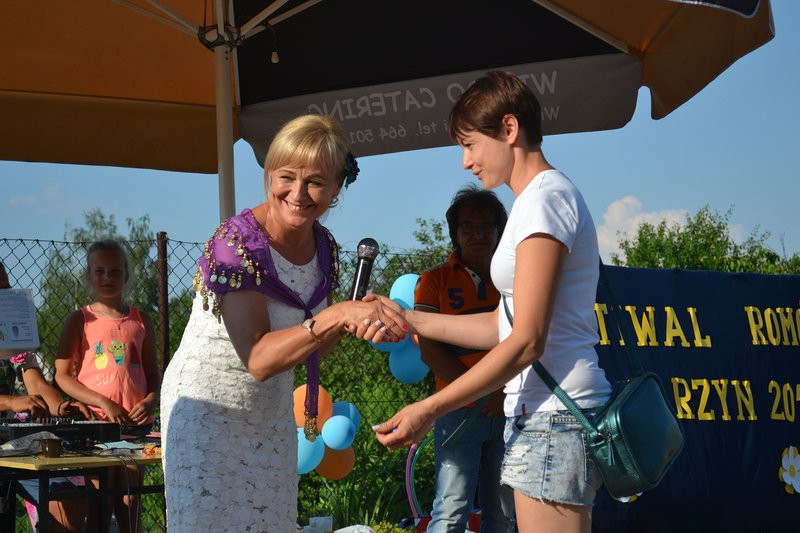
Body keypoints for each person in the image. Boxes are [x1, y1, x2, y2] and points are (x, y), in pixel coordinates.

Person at [374, 71, 612, 533]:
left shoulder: (545, 198)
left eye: (469, 144)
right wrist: (408, 317)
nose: (465, 162)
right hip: (541, 419)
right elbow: (500, 326)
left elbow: (526, 342)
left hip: (555, 418)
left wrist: (430, 408)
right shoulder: (531, 201)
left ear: (508, 129)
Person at [159, 114, 404, 532]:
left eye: (316, 181)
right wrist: (337, 315)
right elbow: (257, 358)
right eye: (286, 177)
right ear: (269, 175)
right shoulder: (236, 242)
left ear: (337, 187)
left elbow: (314, 345)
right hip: (208, 412)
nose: (298, 193)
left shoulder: (324, 247)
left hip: (270, 413)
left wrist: (354, 325)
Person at [414, 185, 515, 533]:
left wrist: (501, 393)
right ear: (455, 233)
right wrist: (477, 393)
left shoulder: (515, 280)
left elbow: (528, 340)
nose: (477, 234)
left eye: (486, 226)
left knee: (503, 513)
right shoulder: (433, 281)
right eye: (468, 226)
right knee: (451, 509)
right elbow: (428, 349)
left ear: (499, 230)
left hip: (510, 407)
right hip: (458, 410)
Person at [54, 240, 160, 533]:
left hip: (134, 429)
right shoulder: (80, 319)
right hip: (96, 429)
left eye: (115, 271)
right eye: (99, 271)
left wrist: (150, 400)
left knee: (128, 502)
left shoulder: (141, 320)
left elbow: (153, 374)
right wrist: (103, 403)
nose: (107, 278)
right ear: (89, 276)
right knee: (99, 504)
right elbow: (62, 376)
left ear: (126, 275)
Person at [0, 260, 92, 533]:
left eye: (4, 288)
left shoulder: (12, 337)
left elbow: (36, 385)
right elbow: (20, 400)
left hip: (11, 447)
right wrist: (11, 402)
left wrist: (61, 406)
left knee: (70, 499)